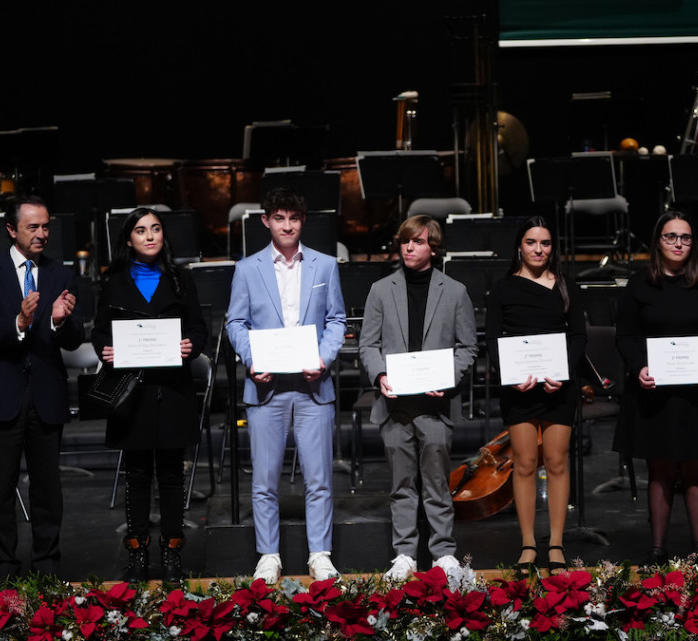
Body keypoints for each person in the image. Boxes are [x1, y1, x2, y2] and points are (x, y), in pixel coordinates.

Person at [226, 187, 346, 583]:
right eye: (279, 218)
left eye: (293, 218)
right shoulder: (247, 268)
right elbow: (236, 323)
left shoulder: (325, 266)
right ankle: (269, 555)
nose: (287, 225)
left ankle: (320, 553)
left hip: (313, 386)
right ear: (266, 221)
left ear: (303, 221)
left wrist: (323, 358)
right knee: (264, 479)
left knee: (319, 478)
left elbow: (337, 321)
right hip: (267, 388)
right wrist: (252, 358)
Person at [0, 195, 82, 578]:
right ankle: (6, 570)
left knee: (48, 490)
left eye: (46, 226)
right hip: (1, 395)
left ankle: (48, 568)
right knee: (1, 489)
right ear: (12, 230)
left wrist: (60, 320)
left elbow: (74, 339)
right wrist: (18, 321)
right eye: (33, 227)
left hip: (46, 394)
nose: (42, 234)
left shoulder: (59, 273)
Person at [91, 208, 209, 584]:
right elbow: (99, 331)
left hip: (172, 391)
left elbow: (198, 328)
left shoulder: (180, 279)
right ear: (129, 239)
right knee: (138, 474)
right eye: (141, 231)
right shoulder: (113, 280)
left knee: (172, 474)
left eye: (156, 229)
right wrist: (105, 349)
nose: (150, 236)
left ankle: (172, 555)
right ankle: (138, 553)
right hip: (132, 393)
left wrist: (192, 345)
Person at [358, 215, 478, 582]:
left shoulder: (454, 291)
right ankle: (405, 553)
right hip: (396, 404)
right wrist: (380, 374)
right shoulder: (381, 289)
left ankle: (442, 552)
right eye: (405, 241)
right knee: (402, 484)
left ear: (433, 247)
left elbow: (468, 346)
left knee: (437, 482)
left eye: (418, 241)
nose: (409, 247)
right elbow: (368, 344)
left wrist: (449, 378)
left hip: (435, 403)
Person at [613, 212, 698, 564]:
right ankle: (657, 550)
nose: (679, 244)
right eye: (671, 237)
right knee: (660, 469)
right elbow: (626, 336)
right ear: (657, 242)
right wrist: (640, 368)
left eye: (685, 237)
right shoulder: (639, 285)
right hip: (654, 391)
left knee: (696, 468)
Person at [485, 217, 586, 575]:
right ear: (520, 247)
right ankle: (528, 544)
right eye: (531, 242)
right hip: (519, 388)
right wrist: (510, 378)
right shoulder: (503, 288)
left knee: (557, 463)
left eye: (545, 243)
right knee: (525, 464)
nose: (538, 249)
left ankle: (556, 543)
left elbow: (577, 337)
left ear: (552, 248)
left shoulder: (566, 287)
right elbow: (493, 340)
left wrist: (563, 373)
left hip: (559, 388)